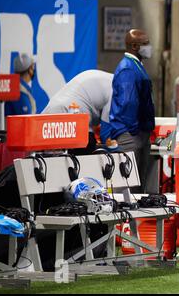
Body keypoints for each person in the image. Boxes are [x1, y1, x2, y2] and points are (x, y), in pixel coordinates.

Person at [105, 29, 155, 192]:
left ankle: (133, 219)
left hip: (138, 133)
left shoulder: (136, 66)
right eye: (145, 43)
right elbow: (128, 103)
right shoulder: (127, 69)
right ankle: (125, 218)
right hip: (130, 134)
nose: (149, 47)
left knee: (137, 187)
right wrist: (134, 132)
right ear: (134, 46)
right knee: (126, 187)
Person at [42, 69, 114, 155]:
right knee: (87, 155)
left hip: (50, 113)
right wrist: (118, 150)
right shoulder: (116, 89)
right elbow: (106, 133)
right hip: (71, 117)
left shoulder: (108, 79)